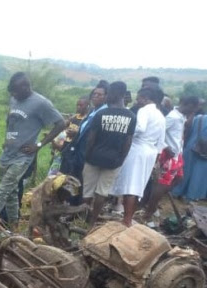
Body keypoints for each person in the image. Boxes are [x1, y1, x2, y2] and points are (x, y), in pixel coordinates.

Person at [0, 72, 66, 227]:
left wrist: (39, 145)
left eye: (16, 91)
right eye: (12, 92)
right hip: (7, 154)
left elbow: (61, 124)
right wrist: (7, 140)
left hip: (23, 156)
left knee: (2, 191)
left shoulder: (41, 103)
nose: (13, 95)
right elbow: (11, 122)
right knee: (11, 193)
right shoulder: (14, 99)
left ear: (26, 87)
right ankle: (13, 227)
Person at [81, 81, 136, 226]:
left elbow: (91, 138)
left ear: (110, 94)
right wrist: (121, 160)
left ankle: (82, 218)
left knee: (87, 191)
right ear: (124, 95)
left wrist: (87, 156)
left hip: (94, 157)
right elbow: (128, 142)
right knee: (102, 192)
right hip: (114, 160)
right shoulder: (131, 116)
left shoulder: (101, 114)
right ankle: (92, 221)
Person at [110, 87, 166, 226]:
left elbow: (140, 128)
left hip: (138, 150)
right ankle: (128, 217)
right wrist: (157, 160)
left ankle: (126, 220)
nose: (137, 101)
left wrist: (125, 132)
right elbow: (161, 141)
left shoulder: (144, 110)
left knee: (131, 186)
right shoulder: (160, 115)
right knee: (138, 186)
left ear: (146, 98)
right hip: (150, 152)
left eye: (139, 98)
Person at [143, 96, 200, 218]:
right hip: (168, 155)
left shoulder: (181, 116)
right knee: (161, 184)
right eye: (193, 108)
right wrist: (165, 147)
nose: (194, 111)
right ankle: (149, 212)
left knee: (178, 179)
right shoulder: (172, 117)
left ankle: (152, 202)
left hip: (176, 155)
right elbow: (158, 133)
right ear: (188, 104)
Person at [172, 109, 207, 201]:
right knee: (199, 174)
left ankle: (177, 191)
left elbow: (187, 130)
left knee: (186, 170)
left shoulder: (199, 118)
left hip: (192, 146)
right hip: (205, 152)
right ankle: (191, 196)